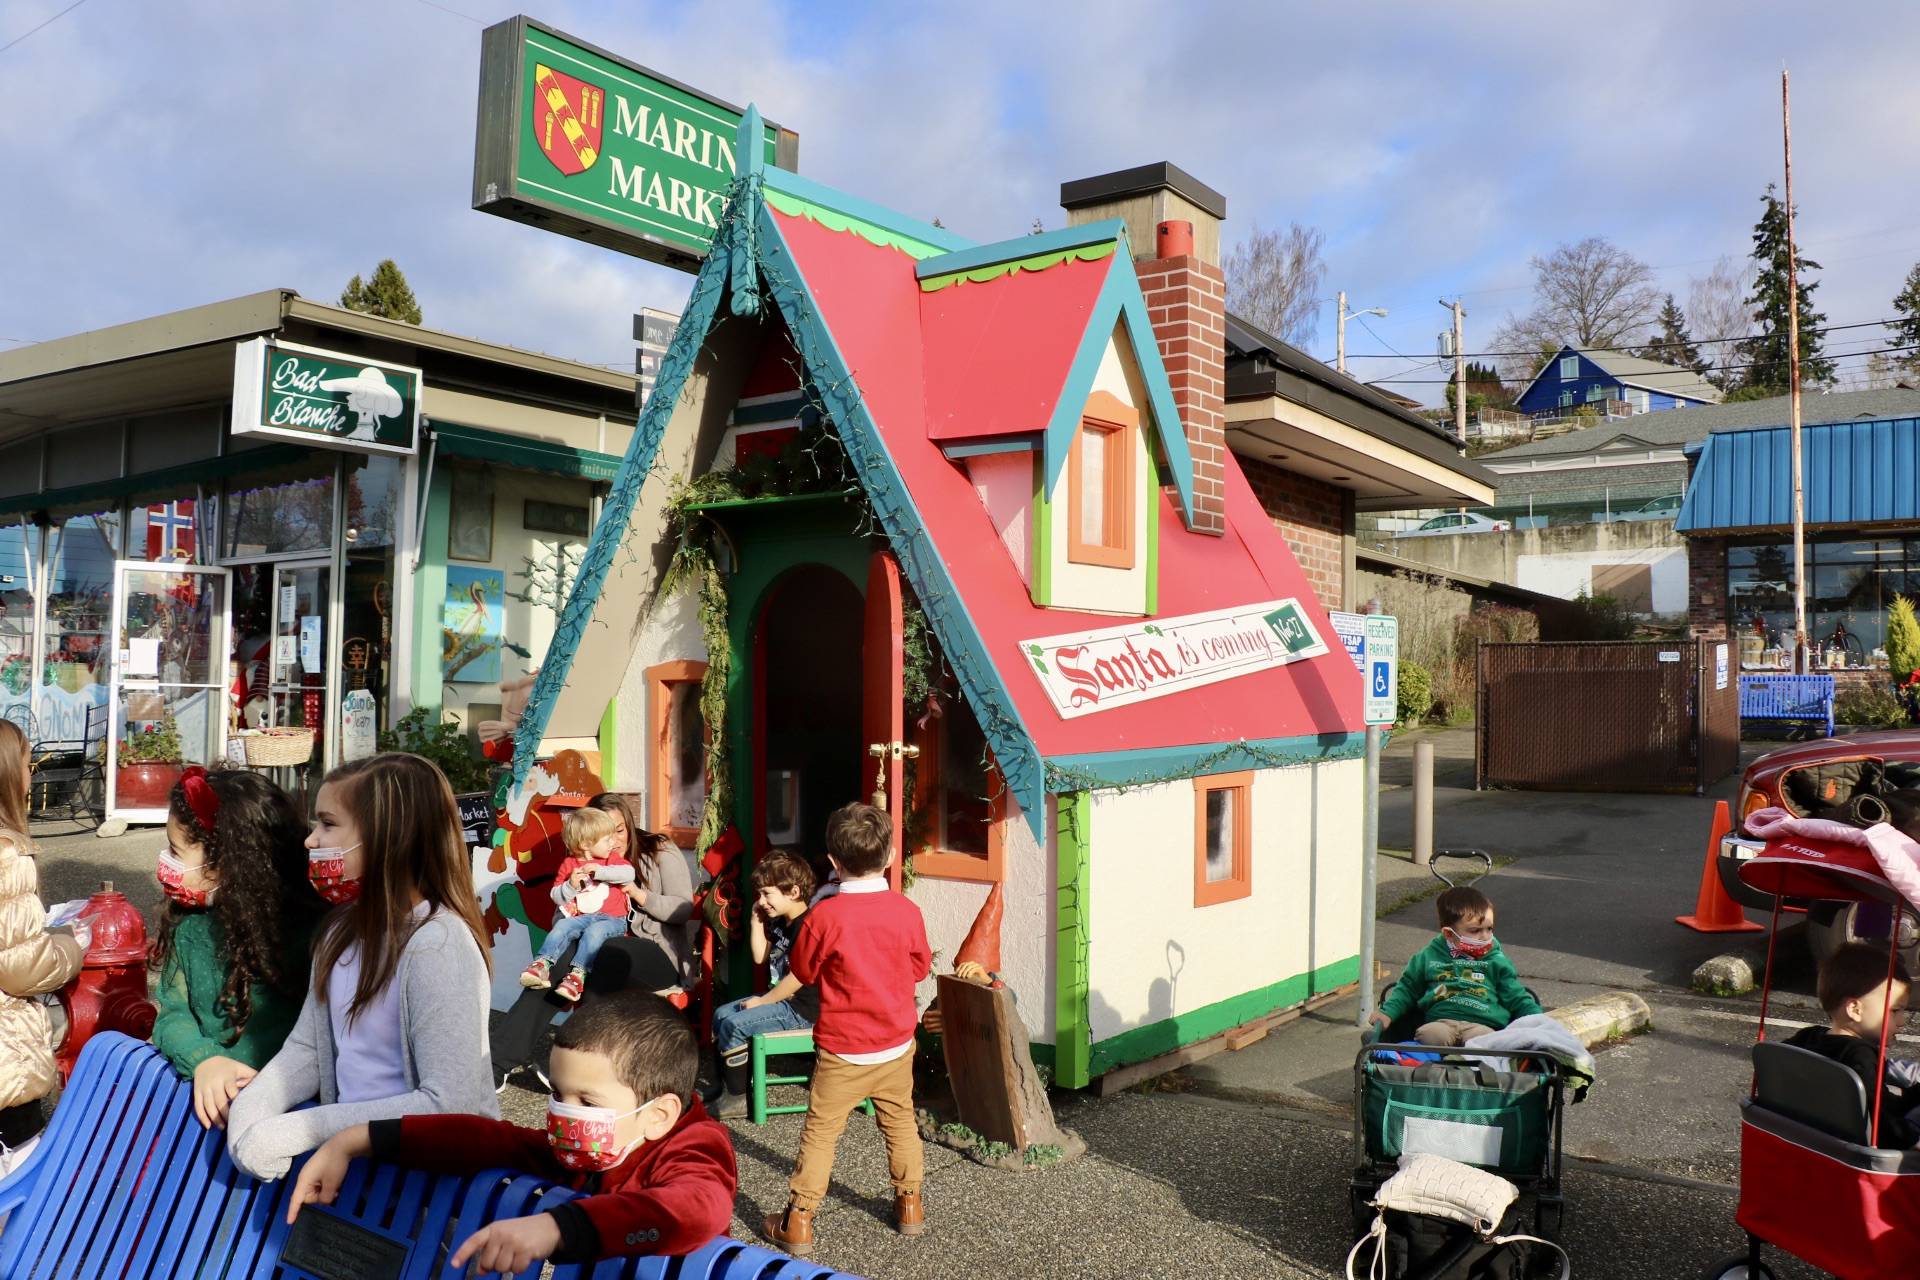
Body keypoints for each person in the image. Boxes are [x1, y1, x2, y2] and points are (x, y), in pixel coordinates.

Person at [288, 989, 735, 1269]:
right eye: (558, 1093)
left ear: (658, 1115)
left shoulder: (697, 1145)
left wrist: (558, 1227)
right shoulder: (592, 1148)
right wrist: (358, 1138)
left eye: (587, 1101)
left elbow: (697, 1209)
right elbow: (489, 1140)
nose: (563, 1111)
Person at [225, 752, 496, 1180]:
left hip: (428, 1189)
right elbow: (309, 1049)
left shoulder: (438, 946)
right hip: (359, 1174)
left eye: (328, 824)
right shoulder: (339, 932)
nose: (311, 840)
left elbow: (449, 1104)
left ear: (391, 838)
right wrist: (252, 1111)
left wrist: (304, 1128)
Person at [764, 803, 930, 1257]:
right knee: (899, 1121)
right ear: (892, 855)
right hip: (895, 1042)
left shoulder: (824, 918)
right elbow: (918, 968)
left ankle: (798, 1219)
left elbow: (803, 968)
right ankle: (909, 1204)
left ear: (833, 862)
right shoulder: (906, 910)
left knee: (821, 1132)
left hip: (843, 1048)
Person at [149, 767, 326, 1129]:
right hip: (210, 1112)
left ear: (229, 860)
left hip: (288, 1116)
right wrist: (205, 1059)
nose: (165, 862)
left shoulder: (314, 933)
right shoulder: (188, 922)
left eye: (176, 851)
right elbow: (172, 1014)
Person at [489, 794, 691, 1093]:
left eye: (619, 830)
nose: (613, 839)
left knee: (607, 953)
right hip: (599, 951)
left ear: (630, 826)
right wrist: (573, 896)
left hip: (653, 953)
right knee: (561, 963)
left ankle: (576, 1062)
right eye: (604, 832)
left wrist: (638, 894)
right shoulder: (583, 863)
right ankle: (497, 1063)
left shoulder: (658, 850)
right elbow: (563, 918)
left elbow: (684, 908)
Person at [0, 719, 86, 1170]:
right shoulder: (8, 854)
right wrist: (71, 945)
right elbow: (21, 968)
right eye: (27, 762)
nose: (32, 772)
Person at [705, 848, 818, 1119]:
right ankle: (728, 1088)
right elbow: (760, 957)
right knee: (721, 1015)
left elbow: (798, 978)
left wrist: (763, 1001)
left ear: (793, 892)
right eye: (760, 894)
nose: (762, 900)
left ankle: (738, 1099)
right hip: (782, 1002)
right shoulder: (784, 923)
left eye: (767, 894)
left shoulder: (808, 927)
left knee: (735, 1024)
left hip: (802, 1011)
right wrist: (757, 922)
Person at [1370, 885, 1540, 1047]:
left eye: (1489, 928)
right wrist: (1387, 1012)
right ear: (1448, 934)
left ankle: (1464, 1069)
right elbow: (1407, 988)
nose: (1485, 936)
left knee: (1485, 1042)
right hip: (1441, 1021)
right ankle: (1434, 1068)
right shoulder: (1429, 957)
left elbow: (1515, 996)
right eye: (1475, 930)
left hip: (1482, 1024)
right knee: (1429, 1036)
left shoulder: (1496, 961)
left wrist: (1540, 1019)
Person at [1785, 942, 1920, 1146]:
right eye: (1895, 1011)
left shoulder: (1806, 1038)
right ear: (1855, 1009)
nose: (1902, 1021)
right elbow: (1882, 1123)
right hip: (1860, 1151)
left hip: (1809, 1140)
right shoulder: (1860, 1056)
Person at [520, 806, 635, 1004]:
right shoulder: (569, 864)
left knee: (595, 933)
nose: (613, 842)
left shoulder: (611, 860)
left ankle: (577, 976)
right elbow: (556, 896)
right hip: (582, 918)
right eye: (607, 839)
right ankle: (542, 964)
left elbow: (628, 874)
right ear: (585, 844)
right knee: (562, 926)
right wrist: (570, 885)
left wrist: (600, 871)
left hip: (614, 920)